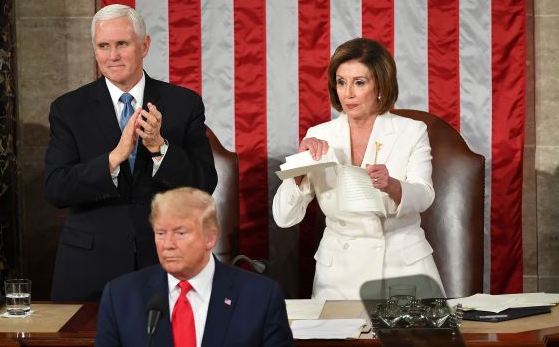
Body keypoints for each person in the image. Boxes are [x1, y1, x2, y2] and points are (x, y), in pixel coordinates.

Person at [44, 4, 218, 301]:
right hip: (89, 268)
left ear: (144, 45)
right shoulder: (68, 109)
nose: (112, 56)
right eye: (103, 46)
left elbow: (204, 184)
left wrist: (159, 148)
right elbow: (56, 189)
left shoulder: (183, 104)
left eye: (122, 44)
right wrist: (113, 159)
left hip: (164, 262)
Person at [272, 37, 444, 300]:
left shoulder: (412, 131)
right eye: (341, 82)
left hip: (402, 269)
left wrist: (392, 185)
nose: (348, 93)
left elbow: (424, 195)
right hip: (338, 274)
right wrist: (300, 171)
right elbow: (284, 218)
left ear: (380, 86)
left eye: (359, 82)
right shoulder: (318, 135)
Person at [96, 187, 293, 347]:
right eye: (161, 233)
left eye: (180, 233)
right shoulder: (120, 296)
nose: (168, 244)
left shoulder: (261, 297)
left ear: (210, 238)